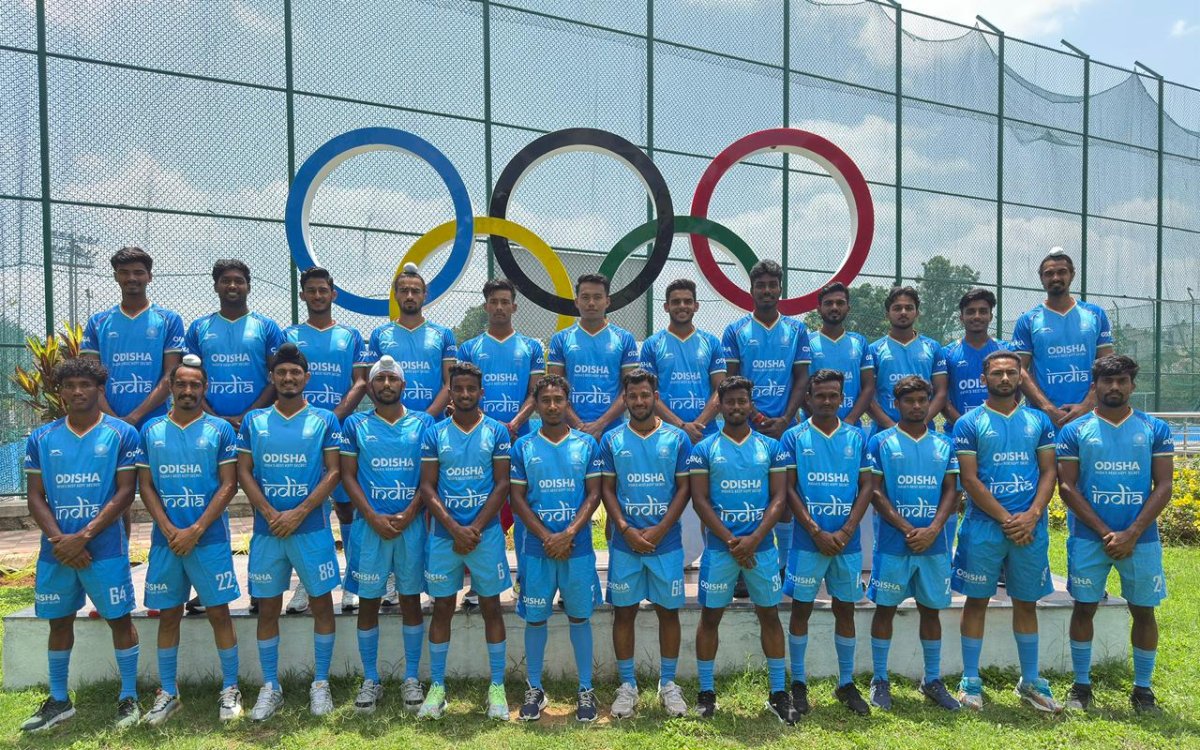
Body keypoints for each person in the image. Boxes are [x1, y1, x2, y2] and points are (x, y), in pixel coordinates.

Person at [20, 358, 143, 732]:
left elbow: (126, 492)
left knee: (119, 619)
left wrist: (84, 536)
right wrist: (61, 540)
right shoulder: (42, 438)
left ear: (99, 390)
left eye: (85, 384)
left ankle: (129, 696)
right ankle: (59, 700)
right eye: (70, 385)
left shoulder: (122, 434)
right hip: (56, 550)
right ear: (60, 391)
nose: (77, 391)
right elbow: (35, 496)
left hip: (104, 548)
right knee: (59, 622)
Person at [1056, 354, 1174, 714]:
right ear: (1095, 386)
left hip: (1142, 540)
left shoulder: (1154, 428)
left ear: (1133, 385)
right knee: (1084, 608)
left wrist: (1133, 532)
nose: (1115, 387)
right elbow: (1067, 487)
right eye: (1107, 381)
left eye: (1122, 380)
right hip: (1088, 538)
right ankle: (1081, 687)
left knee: (1144, 611)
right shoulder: (1075, 430)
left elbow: (1164, 485)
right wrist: (1108, 532)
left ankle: (1143, 691)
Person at [236, 343, 341, 720]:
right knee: (268, 608)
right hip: (268, 533)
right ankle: (270, 686)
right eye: (281, 372)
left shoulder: (324, 420)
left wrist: (299, 512)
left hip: (311, 529)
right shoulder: (254, 421)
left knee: (321, 605)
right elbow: (243, 471)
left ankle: (321, 683)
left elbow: (334, 471)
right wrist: (269, 512)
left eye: (295, 372)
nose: (288, 377)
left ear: (306, 377)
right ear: (272, 377)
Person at [952, 351, 1061, 712]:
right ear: (983, 379)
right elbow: (970, 479)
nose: (1004, 379)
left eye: (1011, 373)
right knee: (976, 600)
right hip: (984, 528)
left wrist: (1032, 514)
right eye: (997, 373)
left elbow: (1049, 472)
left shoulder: (1038, 420)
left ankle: (1030, 680)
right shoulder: (969, 423)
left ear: (1020, 377)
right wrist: (1007, 519)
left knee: (1026, 602)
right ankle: (970, 680)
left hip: (1030, 528)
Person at [137, 355, 243, 725]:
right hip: (166, 541)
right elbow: (145, 486)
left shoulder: (220, 430)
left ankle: (231, 688)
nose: (187, 390)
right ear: (170, 387)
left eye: (195, 384)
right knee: (169, 614)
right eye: (181, 384)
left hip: (209, 539)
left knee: (219, 613)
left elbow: (229, 484)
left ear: (205, 388)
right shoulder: (151, 430)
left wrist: (195, 530)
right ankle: (168, 692)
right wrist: (169, 529)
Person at [688, 375, 796, 724]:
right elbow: (700, 500)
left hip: (761, 549)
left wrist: (754, 538)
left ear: (751, 405)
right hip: (720, 550)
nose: (736, 407)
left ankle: (777, 693)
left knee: (770, 616)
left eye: (742, 401)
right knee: (710, 618)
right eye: (729, 401)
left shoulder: (771, 447)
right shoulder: (704, 449)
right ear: (719, 406)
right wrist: (731, 541)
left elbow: (779, 498)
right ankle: (707, 692)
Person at [417, 362, 513, 721]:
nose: (465, 394)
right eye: (458, 388)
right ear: (450, 392)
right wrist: (454, 528)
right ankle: (437, 688)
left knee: (491, 606)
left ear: (481, 392)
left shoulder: (497, 431)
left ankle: (497, 687)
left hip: (485, 535)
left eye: (472, 388)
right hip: (445, 537)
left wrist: (473, 528)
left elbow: (502, 484)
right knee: (443, 607)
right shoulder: (435, 433)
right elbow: (427, 486)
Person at [340, 356, 434, 715]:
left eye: (393, 378)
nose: (386, 384)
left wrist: (411, 512)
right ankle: (370, 678)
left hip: (412, 526)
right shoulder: (355, 425)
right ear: (370, 386)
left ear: (403, 385)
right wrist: (371, 516)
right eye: (379, 379)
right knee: (368, 600)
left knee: (410, 598)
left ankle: (411, 677)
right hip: (370, 528)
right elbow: (347, 476)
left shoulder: (423, 423)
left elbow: (429, 477)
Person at [509, 375, 604, 723]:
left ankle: (585, 689)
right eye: (545, 400)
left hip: (577, 547)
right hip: (537, 549)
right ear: (535, 405)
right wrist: (548, 537)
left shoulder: (586, 444)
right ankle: (535, 688)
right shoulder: (523, 446)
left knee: (579, 616)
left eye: (558, 400)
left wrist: (568, 533)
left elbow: (594, 494)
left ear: (567, 402)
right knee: (536, 618)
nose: (552, 406)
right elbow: (517, 498)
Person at [779, 369, 874, 716]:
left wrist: (847, 530)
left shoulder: (857, 436)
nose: (827, 401)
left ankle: (846, 682)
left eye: (834, 395)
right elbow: (788, 488)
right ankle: (799, 682)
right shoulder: (794, 437)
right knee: (801, 609)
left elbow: (867, 486)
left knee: (845, 608)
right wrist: (815, 530)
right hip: (808, 542)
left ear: (842, 398)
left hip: (847, 543)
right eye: (820, 395)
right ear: (808, 398)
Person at [599, 369, 692, 719]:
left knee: (669, 612)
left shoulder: (677, 438)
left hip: (666, 543)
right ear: (624, 399)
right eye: (632, 396)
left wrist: (660, 529)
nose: (639, 401)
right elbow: (607, 489)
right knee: (624, 612)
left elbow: (684, 489)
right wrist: (624, 529)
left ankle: (668, 684)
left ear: (656, 397)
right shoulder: (611, 440)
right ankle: (627, 685)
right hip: (626, 544)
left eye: (645, 395)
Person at [865, 376, 960, 712]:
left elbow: (952, 491)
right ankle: (879, 679)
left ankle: (932, 679)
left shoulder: (944, 444)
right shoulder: (880, 442)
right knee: (885, 609)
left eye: (922, 400)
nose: (917, 406)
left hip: (934, 545)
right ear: (897, 404)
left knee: (930, 610)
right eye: (909, 401)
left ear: (930, 402)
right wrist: (908, 528)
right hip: (893, 544)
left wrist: (933, 529)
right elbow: (874, 492)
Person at [282, 267, 371, 615]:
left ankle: (353, 582)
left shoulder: (350, 335)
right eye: (311, 290)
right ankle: (307, 582)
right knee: (308, 504)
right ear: (302, 295)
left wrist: (332, 417)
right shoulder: (290, 335)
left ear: (333, 295)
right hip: (299, 435)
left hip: (339, 429)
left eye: (323, 290)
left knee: (347, 505)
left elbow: (360, 382)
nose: (317, 296)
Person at [721, 260, 811, 587]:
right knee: (743, 496)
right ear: (751, 289)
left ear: (780, 289)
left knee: (783, 495)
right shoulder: (735, 330)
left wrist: (785, 419)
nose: (767, 290)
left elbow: (802, 378)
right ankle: (739, 566)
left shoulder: (797, 330)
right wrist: (756, 416)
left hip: (786, 427)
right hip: (746, 428)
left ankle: (783, 565)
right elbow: (731, 381)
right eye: (761, 285)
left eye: (773, 285)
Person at [456, 278, 545, 607]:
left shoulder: (531, 347)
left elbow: (535, 392)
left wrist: (514, 423)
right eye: (493, 301)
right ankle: (482, 582)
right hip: (481, 441)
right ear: (485, 306)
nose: (499, 307)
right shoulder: (470, 348)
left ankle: (525, 579)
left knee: (523, 509)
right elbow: (464, 392)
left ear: (514, 306)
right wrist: (492, 428)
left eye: (505, 301)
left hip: (520, 439)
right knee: (484, 509)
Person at [80, 246, 185, 429]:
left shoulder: (169, 320)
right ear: (116, 276)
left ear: (149, 277)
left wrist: (134, 418)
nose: (131, 278)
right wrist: (114, 420)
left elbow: (171, 374)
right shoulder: (98, 322)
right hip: (107, 422)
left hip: (155, 422)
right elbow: (91, 378)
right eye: (124, 272)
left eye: (138, 272)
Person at [1012, 249, 1114, 427]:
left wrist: (1087, 405)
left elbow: (1108, 365)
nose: (1055, 278)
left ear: (1072, 275)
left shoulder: (1095, 314)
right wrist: (1048, 409)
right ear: (1041, 278)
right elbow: (1020, 369)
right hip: (1045, 419)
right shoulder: (1028, 320)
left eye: (1062, 272)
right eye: (1049, 273)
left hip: (1090, 416)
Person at [185, 259, 285, 431]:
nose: (232, 286)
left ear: (249, 287)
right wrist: (214, 418)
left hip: (257, 422)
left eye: (239, 281)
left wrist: (249, 415)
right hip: (208, 423)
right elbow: (189, 379)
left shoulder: (267, 326)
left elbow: (277, 378)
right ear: (215, 287)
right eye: (225, 281)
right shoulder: (198, 327)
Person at [547, 273, 640, 441]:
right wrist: (578, 425)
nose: (591, 303)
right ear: (577, 302)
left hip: (613, 430)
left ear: (607, 301)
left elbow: (630, 390)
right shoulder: (561, 339)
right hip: (571, 430)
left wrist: (600, 424)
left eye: (597, 297)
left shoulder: (624, 338)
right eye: (585, 297)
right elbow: (554, 388)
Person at [639, 278, 726, 443]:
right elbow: (648, 392)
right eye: (676, 302)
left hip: (705, 433)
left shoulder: (711, 342)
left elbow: (721, 389)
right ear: (666, 306)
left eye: (687, 301)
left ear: (696, 306)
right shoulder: (652, 344)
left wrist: (697, 425)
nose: (682, 306)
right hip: (665, 433)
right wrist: (681, 426)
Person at [369, 263, 456, 417]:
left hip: (433, 423)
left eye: (415, 291)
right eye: (404, 291)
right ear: (395, 294)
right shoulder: (379, 334)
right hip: (393, 422)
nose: (409, 296)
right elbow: (370, 382)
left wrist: (426, 419)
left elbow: (451, 382)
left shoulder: (444, 334)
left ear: (424, 295)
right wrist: (394, 417)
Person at [867, 286, 947, 434]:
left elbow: (941, 392)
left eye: (909, 308)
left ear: (917, 313)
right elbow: (867, 395)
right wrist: (892, 427)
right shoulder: (873, 350)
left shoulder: (933, 347)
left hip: (924, 432)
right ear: (887, 314)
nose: (903, 312)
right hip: (884, 432)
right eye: (897, 308)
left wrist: (920, 424)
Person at [804, 282, 875, 425]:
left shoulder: (859, 342)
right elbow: (800, 385)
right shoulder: (807, 341)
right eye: (828, 303)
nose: (834, 307)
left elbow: (868, 386)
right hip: (814, 426)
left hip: (851, 427)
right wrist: (823, 421)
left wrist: (851, 420)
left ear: (848, 308)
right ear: (819, 309)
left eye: (840, 303)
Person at [941, 288, 1010, 432]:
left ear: (991, 316)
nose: (977, 316)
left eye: (983, 311)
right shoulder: (947, 353)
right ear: (961, 317)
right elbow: (941, 398)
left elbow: (1016, 391)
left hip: (998, 430)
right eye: (971, 312)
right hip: (958, 432)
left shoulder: (1006, 350)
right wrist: (965, 427)